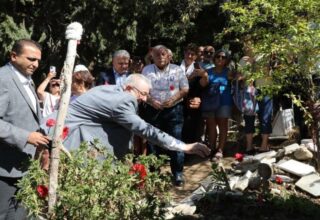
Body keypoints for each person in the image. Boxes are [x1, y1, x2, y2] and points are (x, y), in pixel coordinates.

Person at [42, 74, 210, 160]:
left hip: (60, 134)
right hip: (63, 140)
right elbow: (144, 129)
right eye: (143, 94)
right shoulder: (123, 99)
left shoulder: (111, 90)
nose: (144, 99)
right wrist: (184, 146)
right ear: (129, 88)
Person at [0, 39, 50, 219]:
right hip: (5, 169)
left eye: (38, 60)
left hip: (25, 166)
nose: (35, 64)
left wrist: (42, 151)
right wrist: (26, 136)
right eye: (30, 59)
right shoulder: (3, 79)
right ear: (13, 56)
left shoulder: (27, 80)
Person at [141, 45, 189, 186]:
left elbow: (185, 88)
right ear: (152, 57)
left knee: (175, 141)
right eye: (157, 54)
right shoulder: (146, 70)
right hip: (153, 110)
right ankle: (154, 173)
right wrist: (151, 101)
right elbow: (142, 91)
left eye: (163, 54)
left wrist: (173, 99)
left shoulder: (177, 69)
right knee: (152, 142)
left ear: (169, 56)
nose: (160, 57)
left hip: (174, 109)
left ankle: (178, 173)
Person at [201, 49, 233, 160]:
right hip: (210, 101)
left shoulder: (229, 72)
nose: (220, 59)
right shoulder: (207, 71)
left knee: (223, 125)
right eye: (218, 56)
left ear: (226, 60)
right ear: (214, 58)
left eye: (223, 57)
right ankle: (212, 148)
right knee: (211, 125)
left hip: (224, 101)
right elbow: (202, 84)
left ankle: (220, 149)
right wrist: (203, 76)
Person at [180, 43, 206, 143]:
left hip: (192, 104)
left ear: (196, 56)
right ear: (184, 53)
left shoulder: (198, 67)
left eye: (192, 54)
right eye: (188, 53)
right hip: (178, 103)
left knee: (192, 132)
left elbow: (203, 85)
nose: (189, 56)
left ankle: (190, 156)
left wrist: (204, 76)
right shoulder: (176, 66)